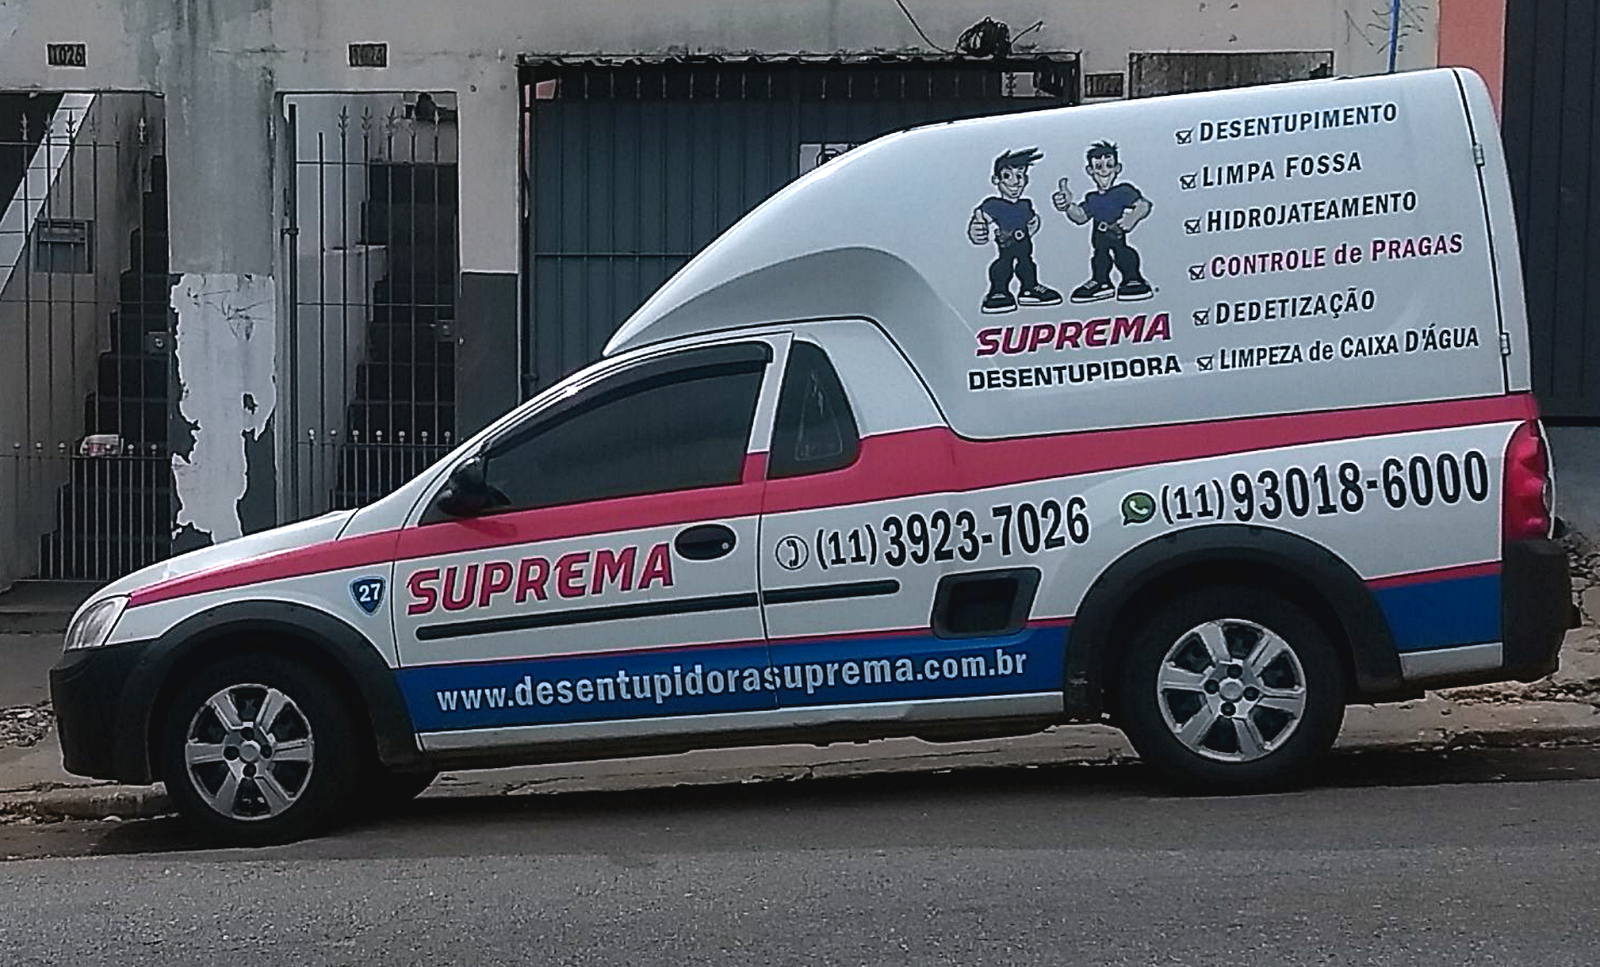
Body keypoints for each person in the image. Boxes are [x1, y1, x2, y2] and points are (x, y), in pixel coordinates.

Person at [1052, 141, 1154, 303]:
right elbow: (1080, 217)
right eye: (1099, 167)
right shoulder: (1092, 198)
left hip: (1116, 233)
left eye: (1109, 165)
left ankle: (1132, 279)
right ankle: (1101, 282)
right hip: (1099, 238)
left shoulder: (1123, 191)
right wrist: (1067, 206)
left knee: (1124, 254)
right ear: (1090, 171)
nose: (1104, 171)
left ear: (1117, 168)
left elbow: (1143, 205)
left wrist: (1131, 219)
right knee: (1100, 258)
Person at [968, 147, 1064, 314]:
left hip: (1024, 245)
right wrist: (978, 229)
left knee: (1026, 264)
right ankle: (999, 291)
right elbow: (981, 219)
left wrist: (1031, 229)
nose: (1015, 182)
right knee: (1003, 266)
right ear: (996, 180)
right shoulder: (994, 205)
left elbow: (1032, 221)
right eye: (1007, 176)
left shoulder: (1025, 205)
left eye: (1019, 176)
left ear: (1025, 179)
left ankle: (1029, 288)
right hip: (1007, 244)